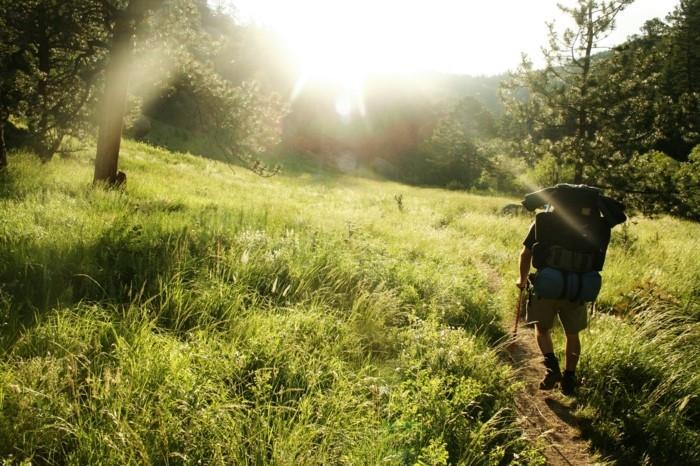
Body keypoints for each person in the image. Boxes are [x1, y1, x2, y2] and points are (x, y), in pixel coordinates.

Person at [517, 227, 585, 396]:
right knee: (572, 333)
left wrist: (522, 279)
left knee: (541, 328)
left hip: (547, 285)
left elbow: (526, 253)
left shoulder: (543, 221)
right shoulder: (587, 224)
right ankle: (569, 379)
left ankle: (552, 369)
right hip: (576, 287)